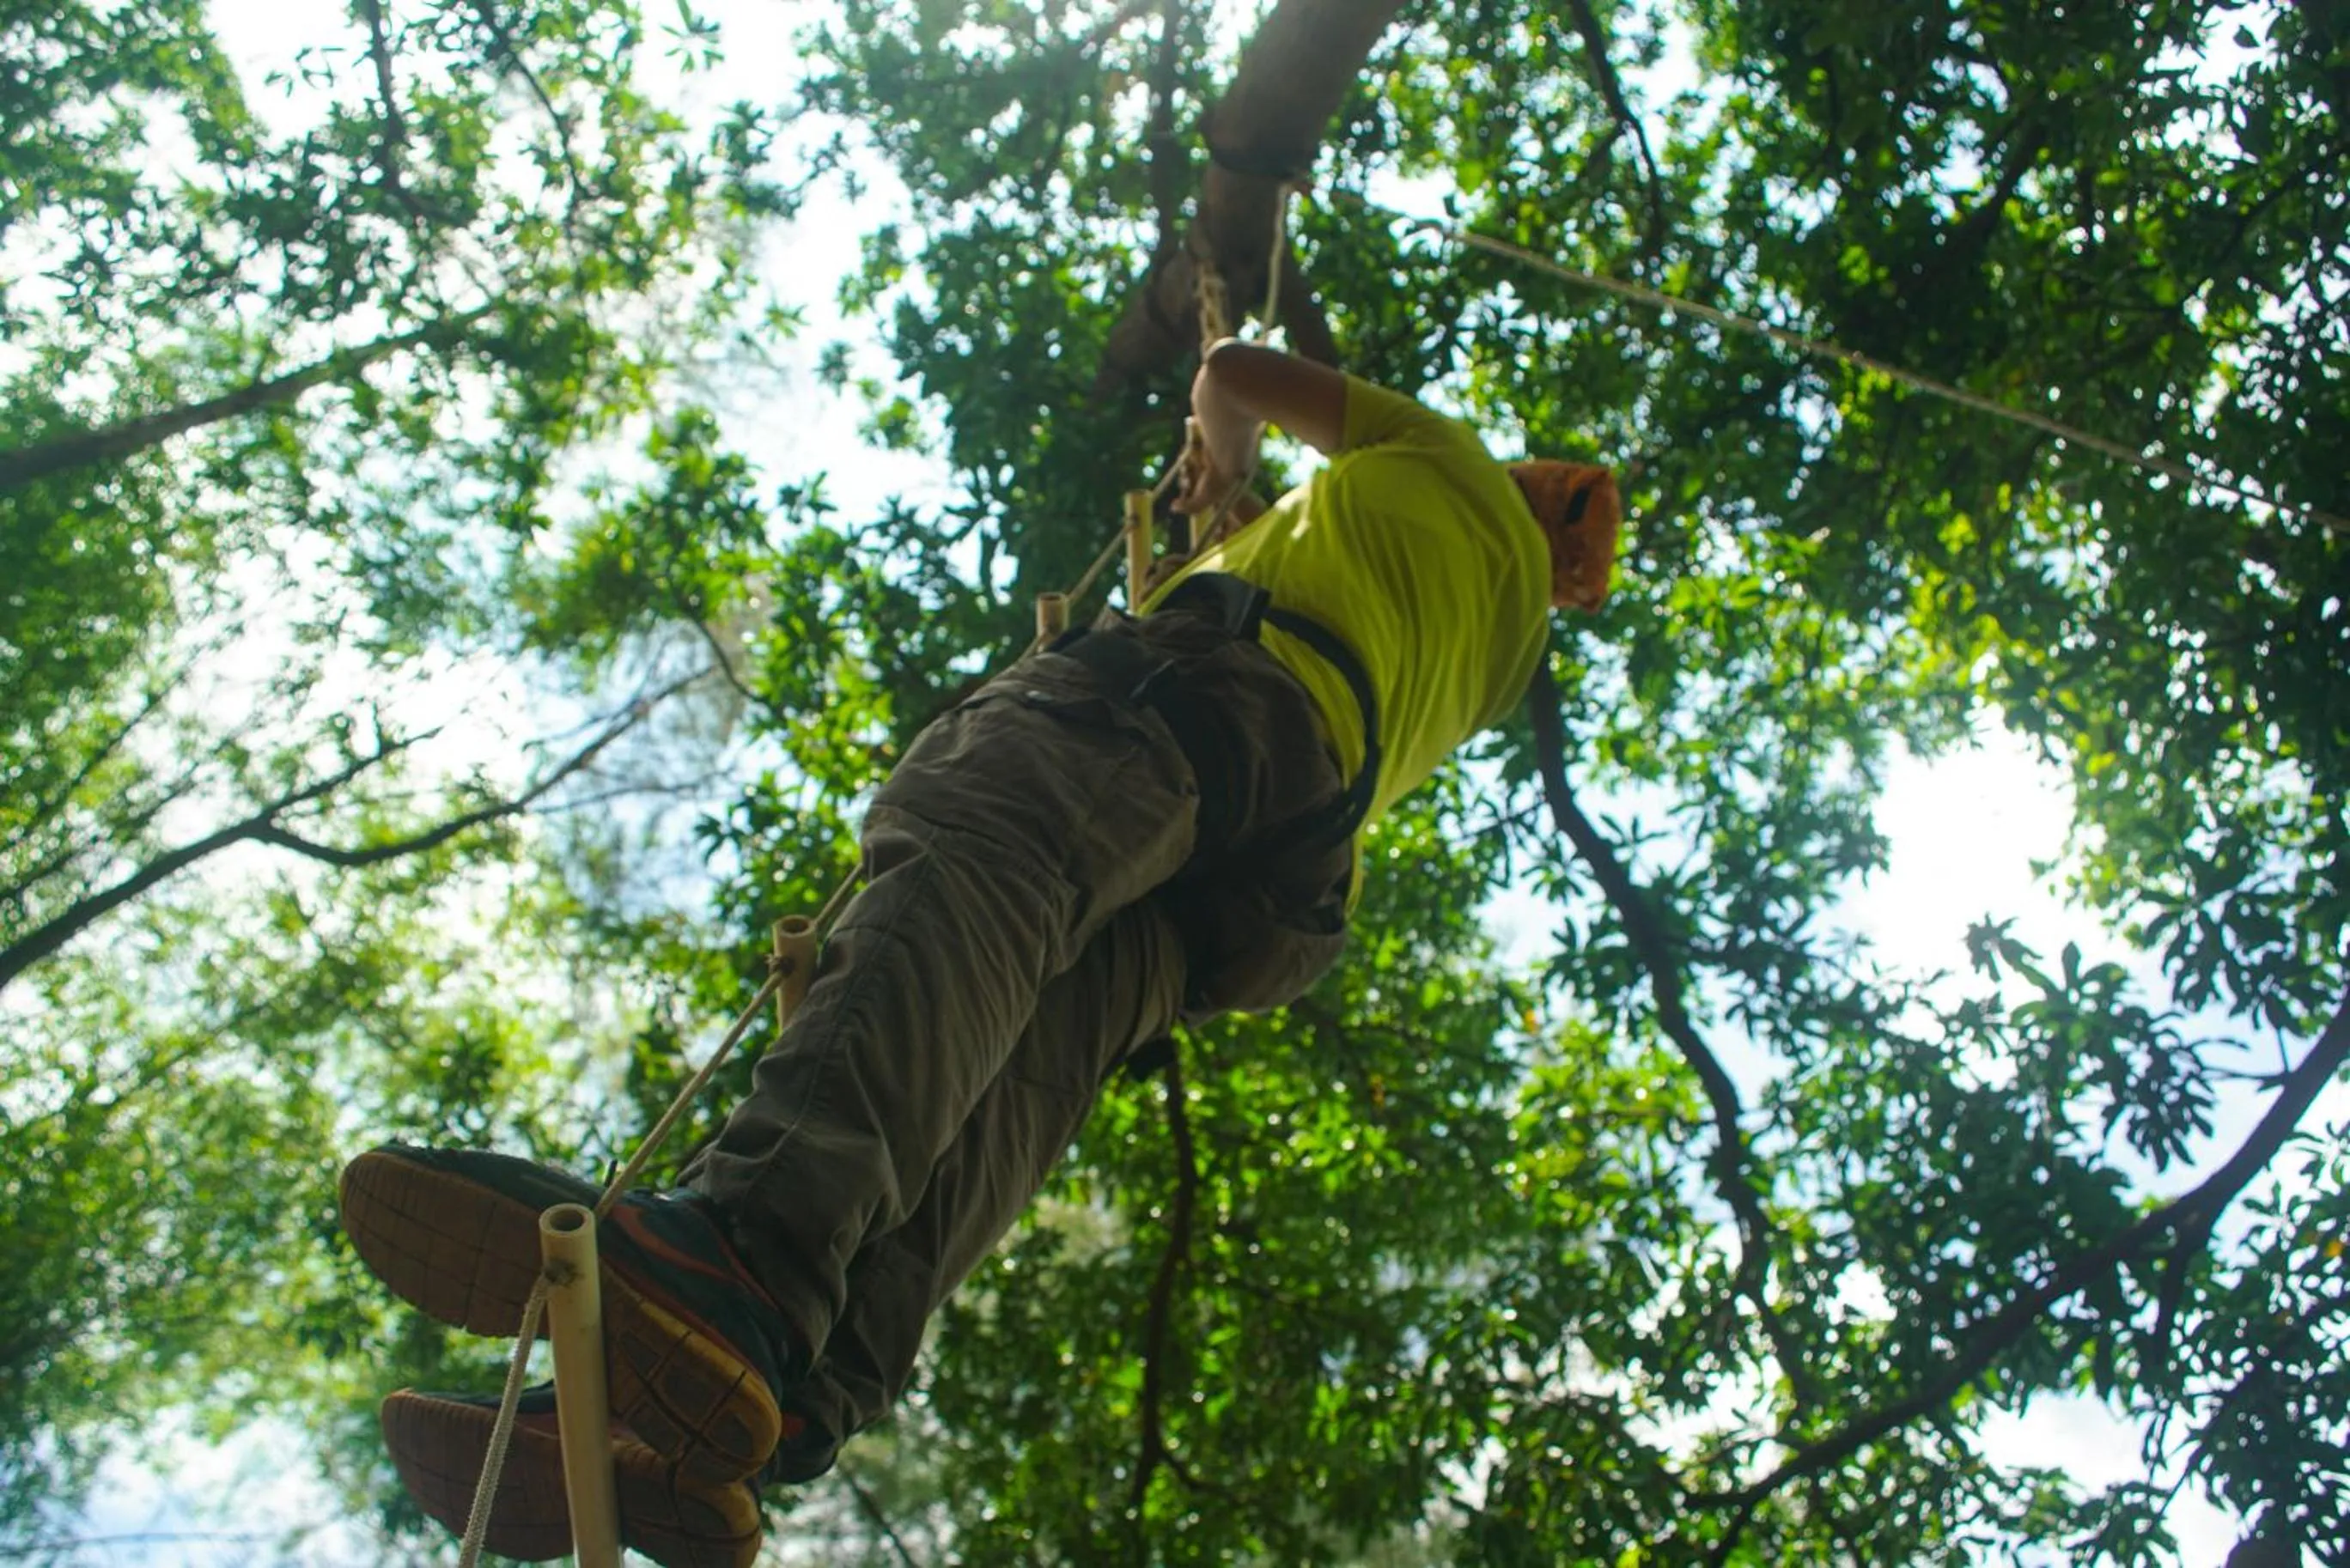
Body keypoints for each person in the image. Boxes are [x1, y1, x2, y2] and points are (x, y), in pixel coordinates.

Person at [338, 340, 1621, 1566]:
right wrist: (1240, 537)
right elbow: (1355, 629)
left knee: (982, 834)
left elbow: (1229, 377)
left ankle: (746, 1251)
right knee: (1027, 1066)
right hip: (1285, 883)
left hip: (1216, 693)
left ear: (1529, 482)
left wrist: (1219, 475)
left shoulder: (1437, 452)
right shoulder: (1511, 645)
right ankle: (788, 1386)